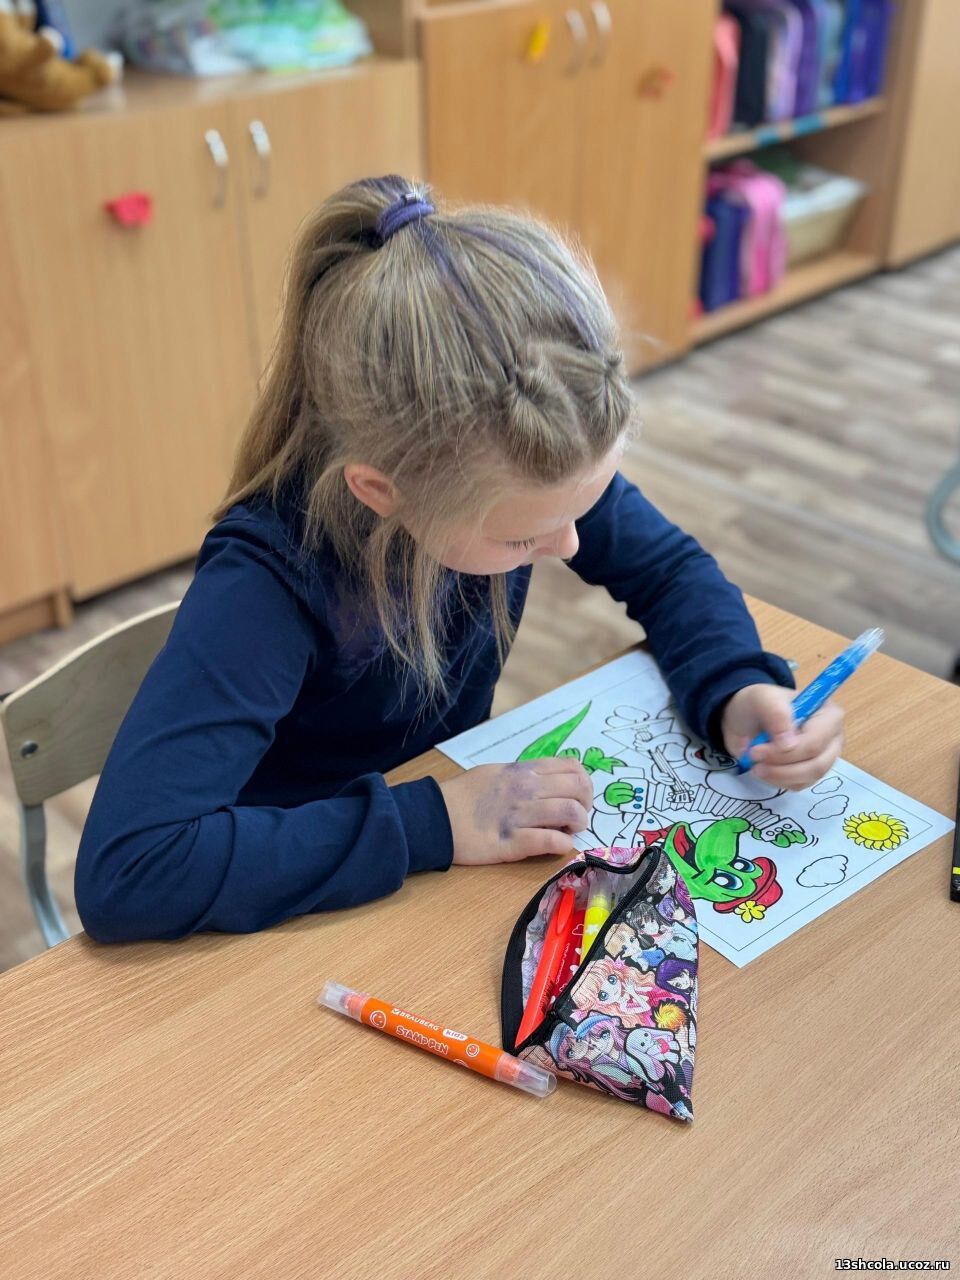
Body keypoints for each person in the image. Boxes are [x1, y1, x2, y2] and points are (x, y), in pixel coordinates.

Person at [75, 176, 844, 942]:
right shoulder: (266, 585)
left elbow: (669, 572)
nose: (570, 544)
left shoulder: (528, 472)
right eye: (523, 541)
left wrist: (734, 685)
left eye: (581, 508)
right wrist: (435, 820)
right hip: (285, 906)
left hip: (435, 864)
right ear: (382, 492)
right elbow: (132, 871)